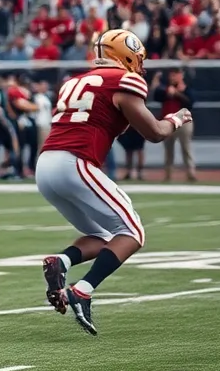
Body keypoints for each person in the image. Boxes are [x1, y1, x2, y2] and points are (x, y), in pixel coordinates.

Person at [37, 29, 192, 336]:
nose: (140, 66)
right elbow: (155, 132)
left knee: (104, 234)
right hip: (75, 161)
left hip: (46, 165)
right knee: (133, 232)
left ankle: (62, 261)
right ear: (125, 56)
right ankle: (82, 290)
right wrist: (176, 118)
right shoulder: (123, 81)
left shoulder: (73, 81)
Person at [153, 69, 196, 182]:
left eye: (175, 75)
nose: (173, 78)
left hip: (183, 120)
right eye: (171, 75)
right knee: (168, 150)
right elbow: (157, 95)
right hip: (168, 122)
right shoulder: (166, 88)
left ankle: (190, 173)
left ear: (181, 76)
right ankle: (168, 175)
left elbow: (190, 103)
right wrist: (167, 91)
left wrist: (178, 93)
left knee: (186, 148)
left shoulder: (187, 89)